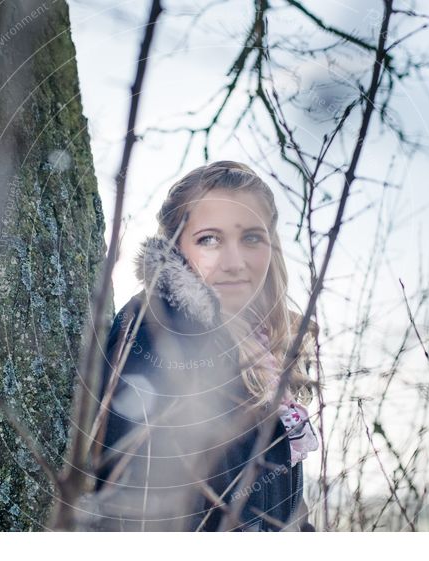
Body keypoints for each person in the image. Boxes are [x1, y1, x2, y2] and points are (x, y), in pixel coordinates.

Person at [90, 160, 319, 532]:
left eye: (251, 238)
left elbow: (287, 518)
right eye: (209, 239)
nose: (234, 263)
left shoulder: (262, 348)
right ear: (177, 246)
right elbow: (134, 514)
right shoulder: (160, 334)